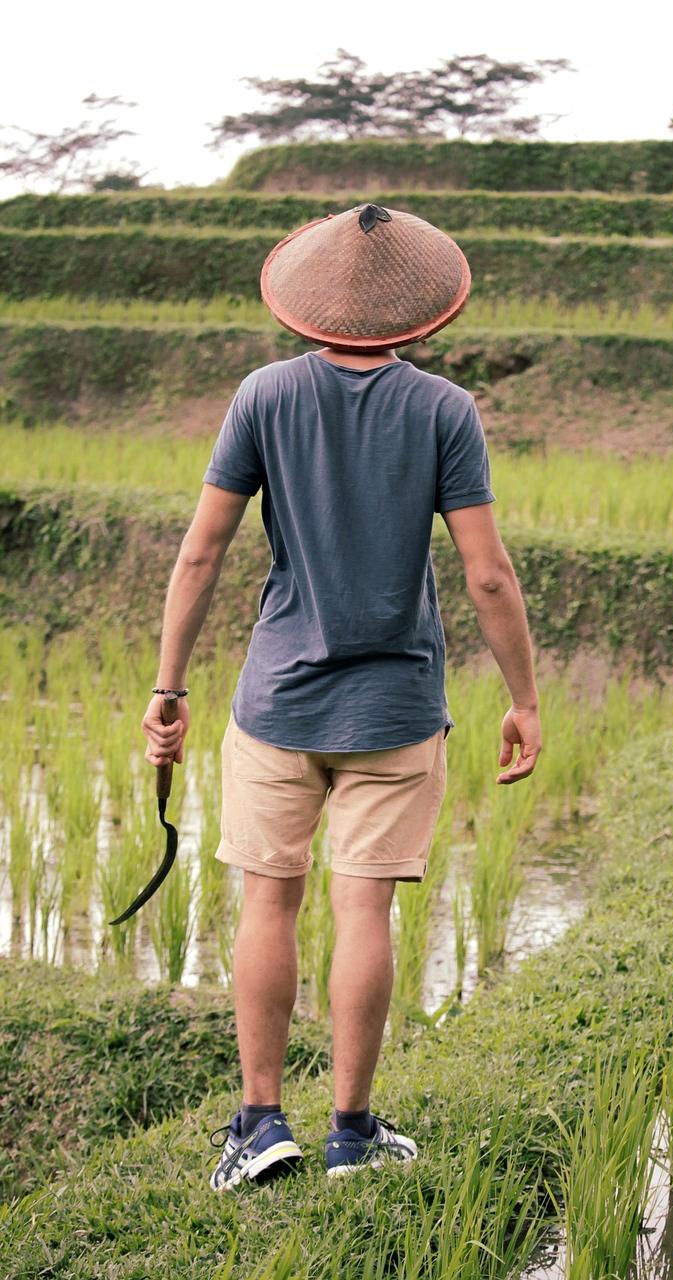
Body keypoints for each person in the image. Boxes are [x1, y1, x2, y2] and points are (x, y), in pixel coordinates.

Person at [140, 203, 542, 1190]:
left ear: (309, 306)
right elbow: (488, 574)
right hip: (398, 707)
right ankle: (351, 1135)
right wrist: (524, 695)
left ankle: (259, 1121)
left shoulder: (263, 394)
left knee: (266, 901)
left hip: (277, 699)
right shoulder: (445, 408)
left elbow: (202, 548)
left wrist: (168, 686)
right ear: (414, 314)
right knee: (367, 911)